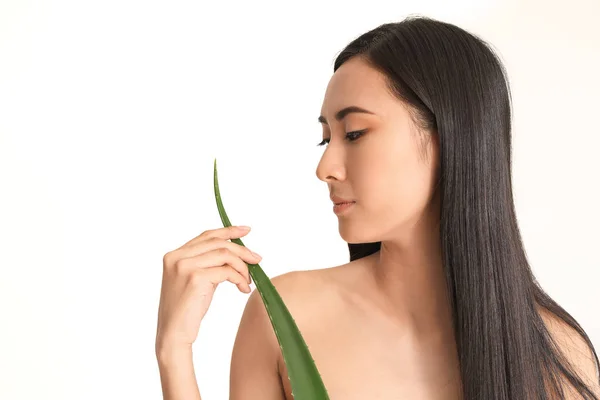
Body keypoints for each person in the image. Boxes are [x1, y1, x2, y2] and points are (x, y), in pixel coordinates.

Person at [155, 15, 600, 400]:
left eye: (354, 134)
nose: (325, 167)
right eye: (325, 138)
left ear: (449, 138)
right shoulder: (286, 316)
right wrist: (175, 350)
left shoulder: (557, 356)